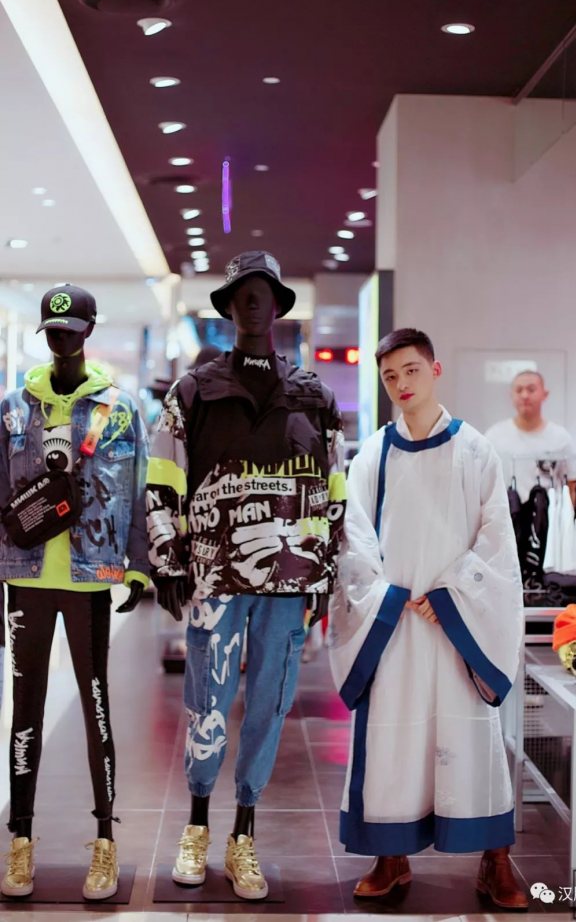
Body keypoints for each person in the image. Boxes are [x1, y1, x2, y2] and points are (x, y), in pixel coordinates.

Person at [146, 251, 345, 899]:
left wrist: (324, 570)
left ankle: (244, 835)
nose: (254, 301)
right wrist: (167, 558)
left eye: (264, 291)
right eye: (243, 292)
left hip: (288, 580)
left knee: (269, 702)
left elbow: (334, 489)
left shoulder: (313, 397)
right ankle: (197, 824)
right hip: (214, 577)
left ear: (279, 305)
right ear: (229, 305)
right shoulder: (192, 392)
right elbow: (163, 475)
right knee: (206, 700)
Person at [329, 327, 527, 908]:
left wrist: (453, 595)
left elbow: (497, 538)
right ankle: (390, 856)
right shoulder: (373, 454)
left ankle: (494, 858)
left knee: (473, 735)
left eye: (411, 371)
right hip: (393, 622)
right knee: (391, 736)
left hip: (456, 624)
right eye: (390, 376)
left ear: (435, 370)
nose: (401, 384)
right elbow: (354, 538)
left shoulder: (475, 450)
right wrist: (386, 599)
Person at [0, 285, 151, 900]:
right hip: (26, 577)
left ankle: (106, 840)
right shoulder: (13, 409)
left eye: (71, 330)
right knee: (25, 709)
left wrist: (138, 567)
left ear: (89, 332)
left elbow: (139, 487)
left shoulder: (120, 409)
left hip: (91, 578)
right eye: (54, 331)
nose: (62, 339)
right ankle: (20, 840)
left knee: (96, 709)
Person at [485, 370, 576, 502]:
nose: (524, 395)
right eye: (519, 390)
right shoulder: (493, 437)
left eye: (531, 389)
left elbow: (572, 485)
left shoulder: (561, 438)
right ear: (511, 395)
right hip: (507, 512)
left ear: (545, 394)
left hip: (548, 512)